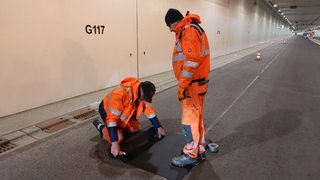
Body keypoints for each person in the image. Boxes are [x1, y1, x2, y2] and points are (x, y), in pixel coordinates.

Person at [164, 8, 210, 167]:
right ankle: (200, 148)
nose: (170, 30)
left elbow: (190, 62)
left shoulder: (188, 31)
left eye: (169, 26)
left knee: (188, 120)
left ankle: (191, 154)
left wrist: (182, 86)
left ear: (173, 22)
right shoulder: (192, 28)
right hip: (198, 82)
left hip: (192, 85)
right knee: (197, 118)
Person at [92, 77, 166, 157]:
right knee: (119, 138)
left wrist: (158, 127)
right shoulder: (120, 94)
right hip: (107, 111)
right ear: (141, 90)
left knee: (134, 128)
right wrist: (114, 142)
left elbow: (149, 111)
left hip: (122, 113)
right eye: (143, 98)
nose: (143, 100)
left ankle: (119, 129)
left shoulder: (143, 94)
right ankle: (100, 126)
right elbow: (112, 119)